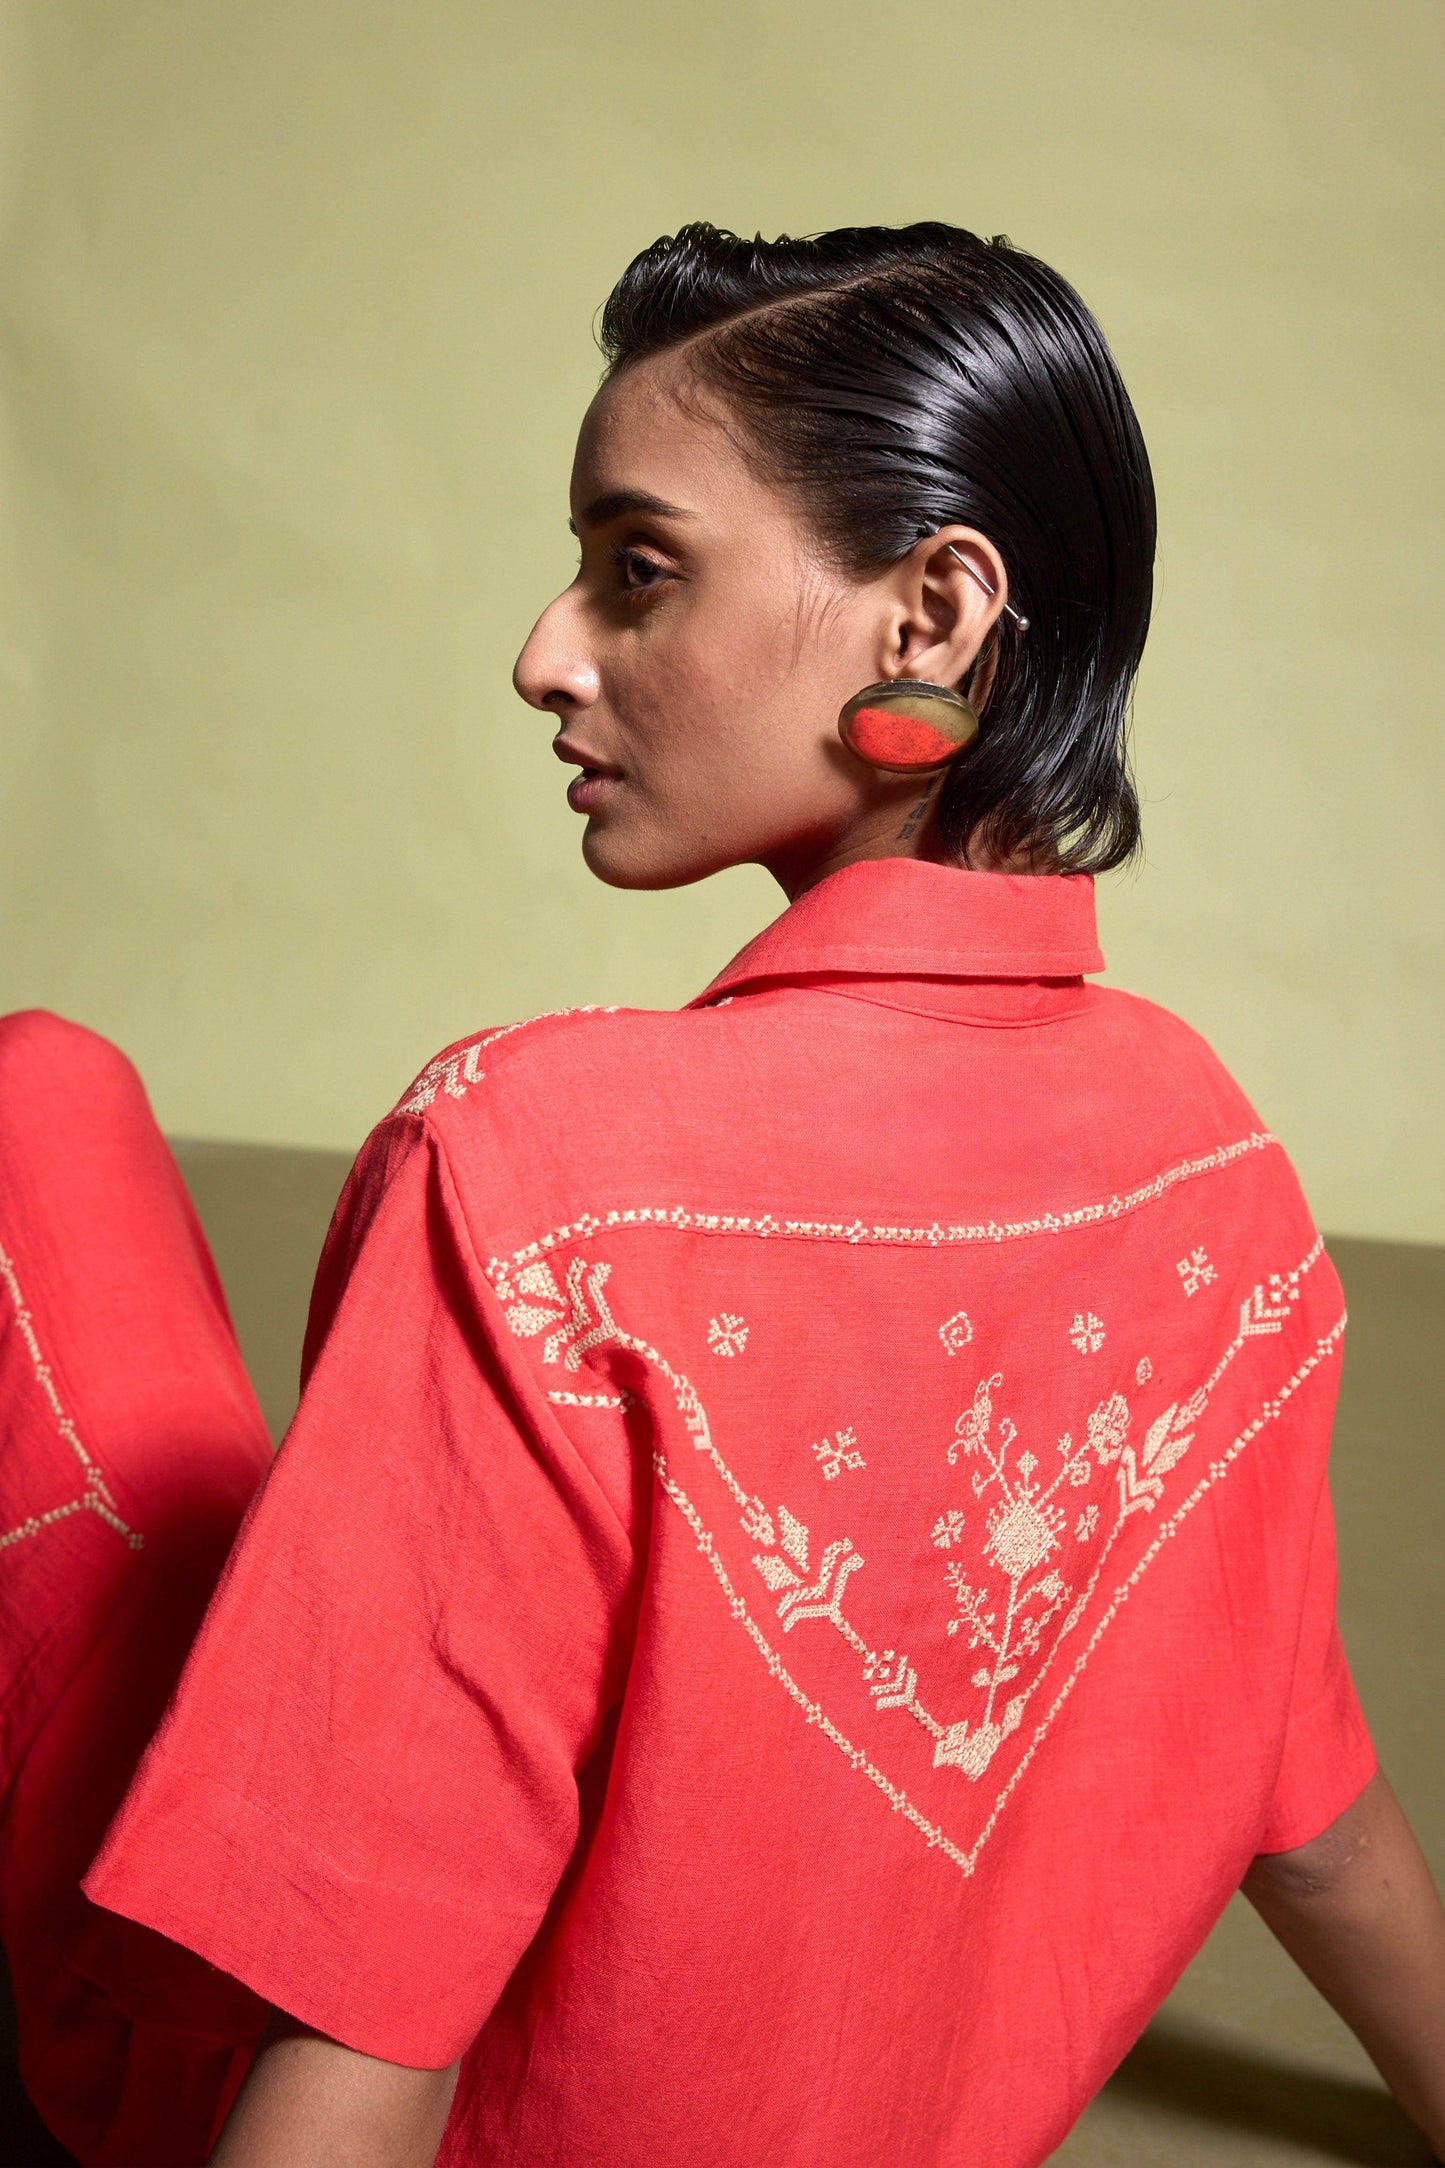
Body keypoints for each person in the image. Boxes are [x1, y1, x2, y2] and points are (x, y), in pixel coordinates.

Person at [1, 221, 1441, 2168]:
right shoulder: (1214, 1150)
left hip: (336, 2106)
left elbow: (369, 1990)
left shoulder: (536, 1166)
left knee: (32, 1095)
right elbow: (1309, 1804)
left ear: (930, 616)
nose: (544, 652)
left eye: (638, 568)